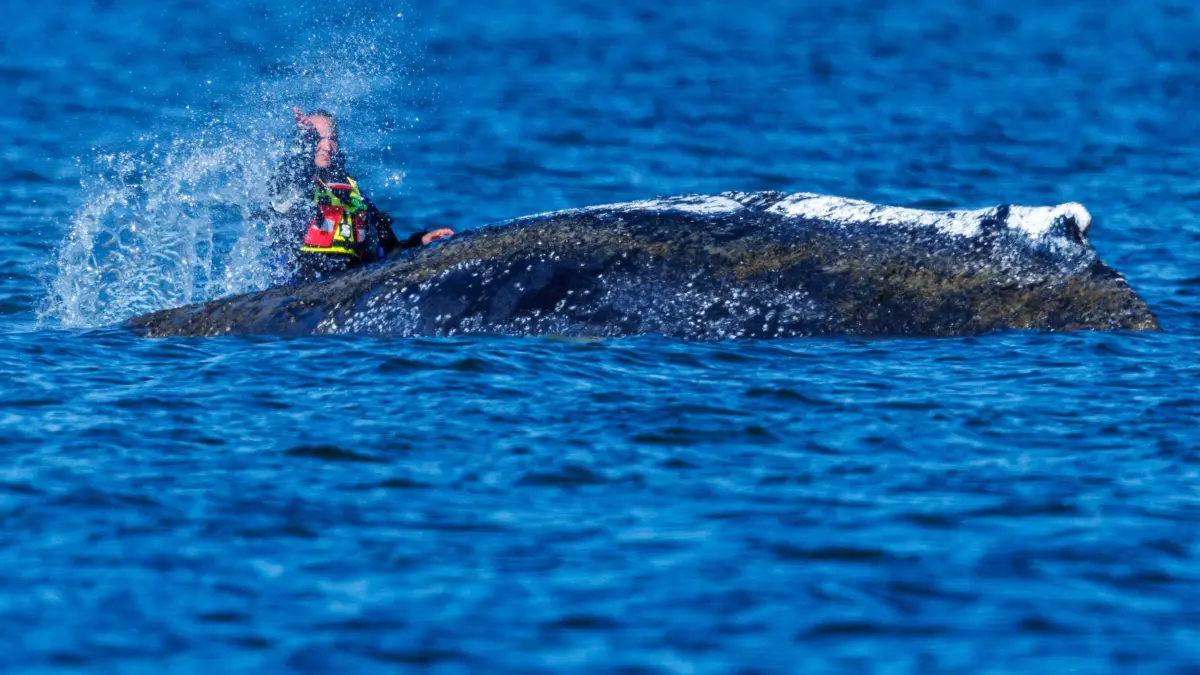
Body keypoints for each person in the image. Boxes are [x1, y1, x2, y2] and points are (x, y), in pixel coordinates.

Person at [266, 107, 454, 283]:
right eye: (316, 138)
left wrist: (420, 242)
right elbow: (286, 179)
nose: (327, 146)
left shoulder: (353, 193)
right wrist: (303, 143)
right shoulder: (293, 185)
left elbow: (388, 250)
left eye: (332, 140)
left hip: (347, 285)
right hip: (300, 288)